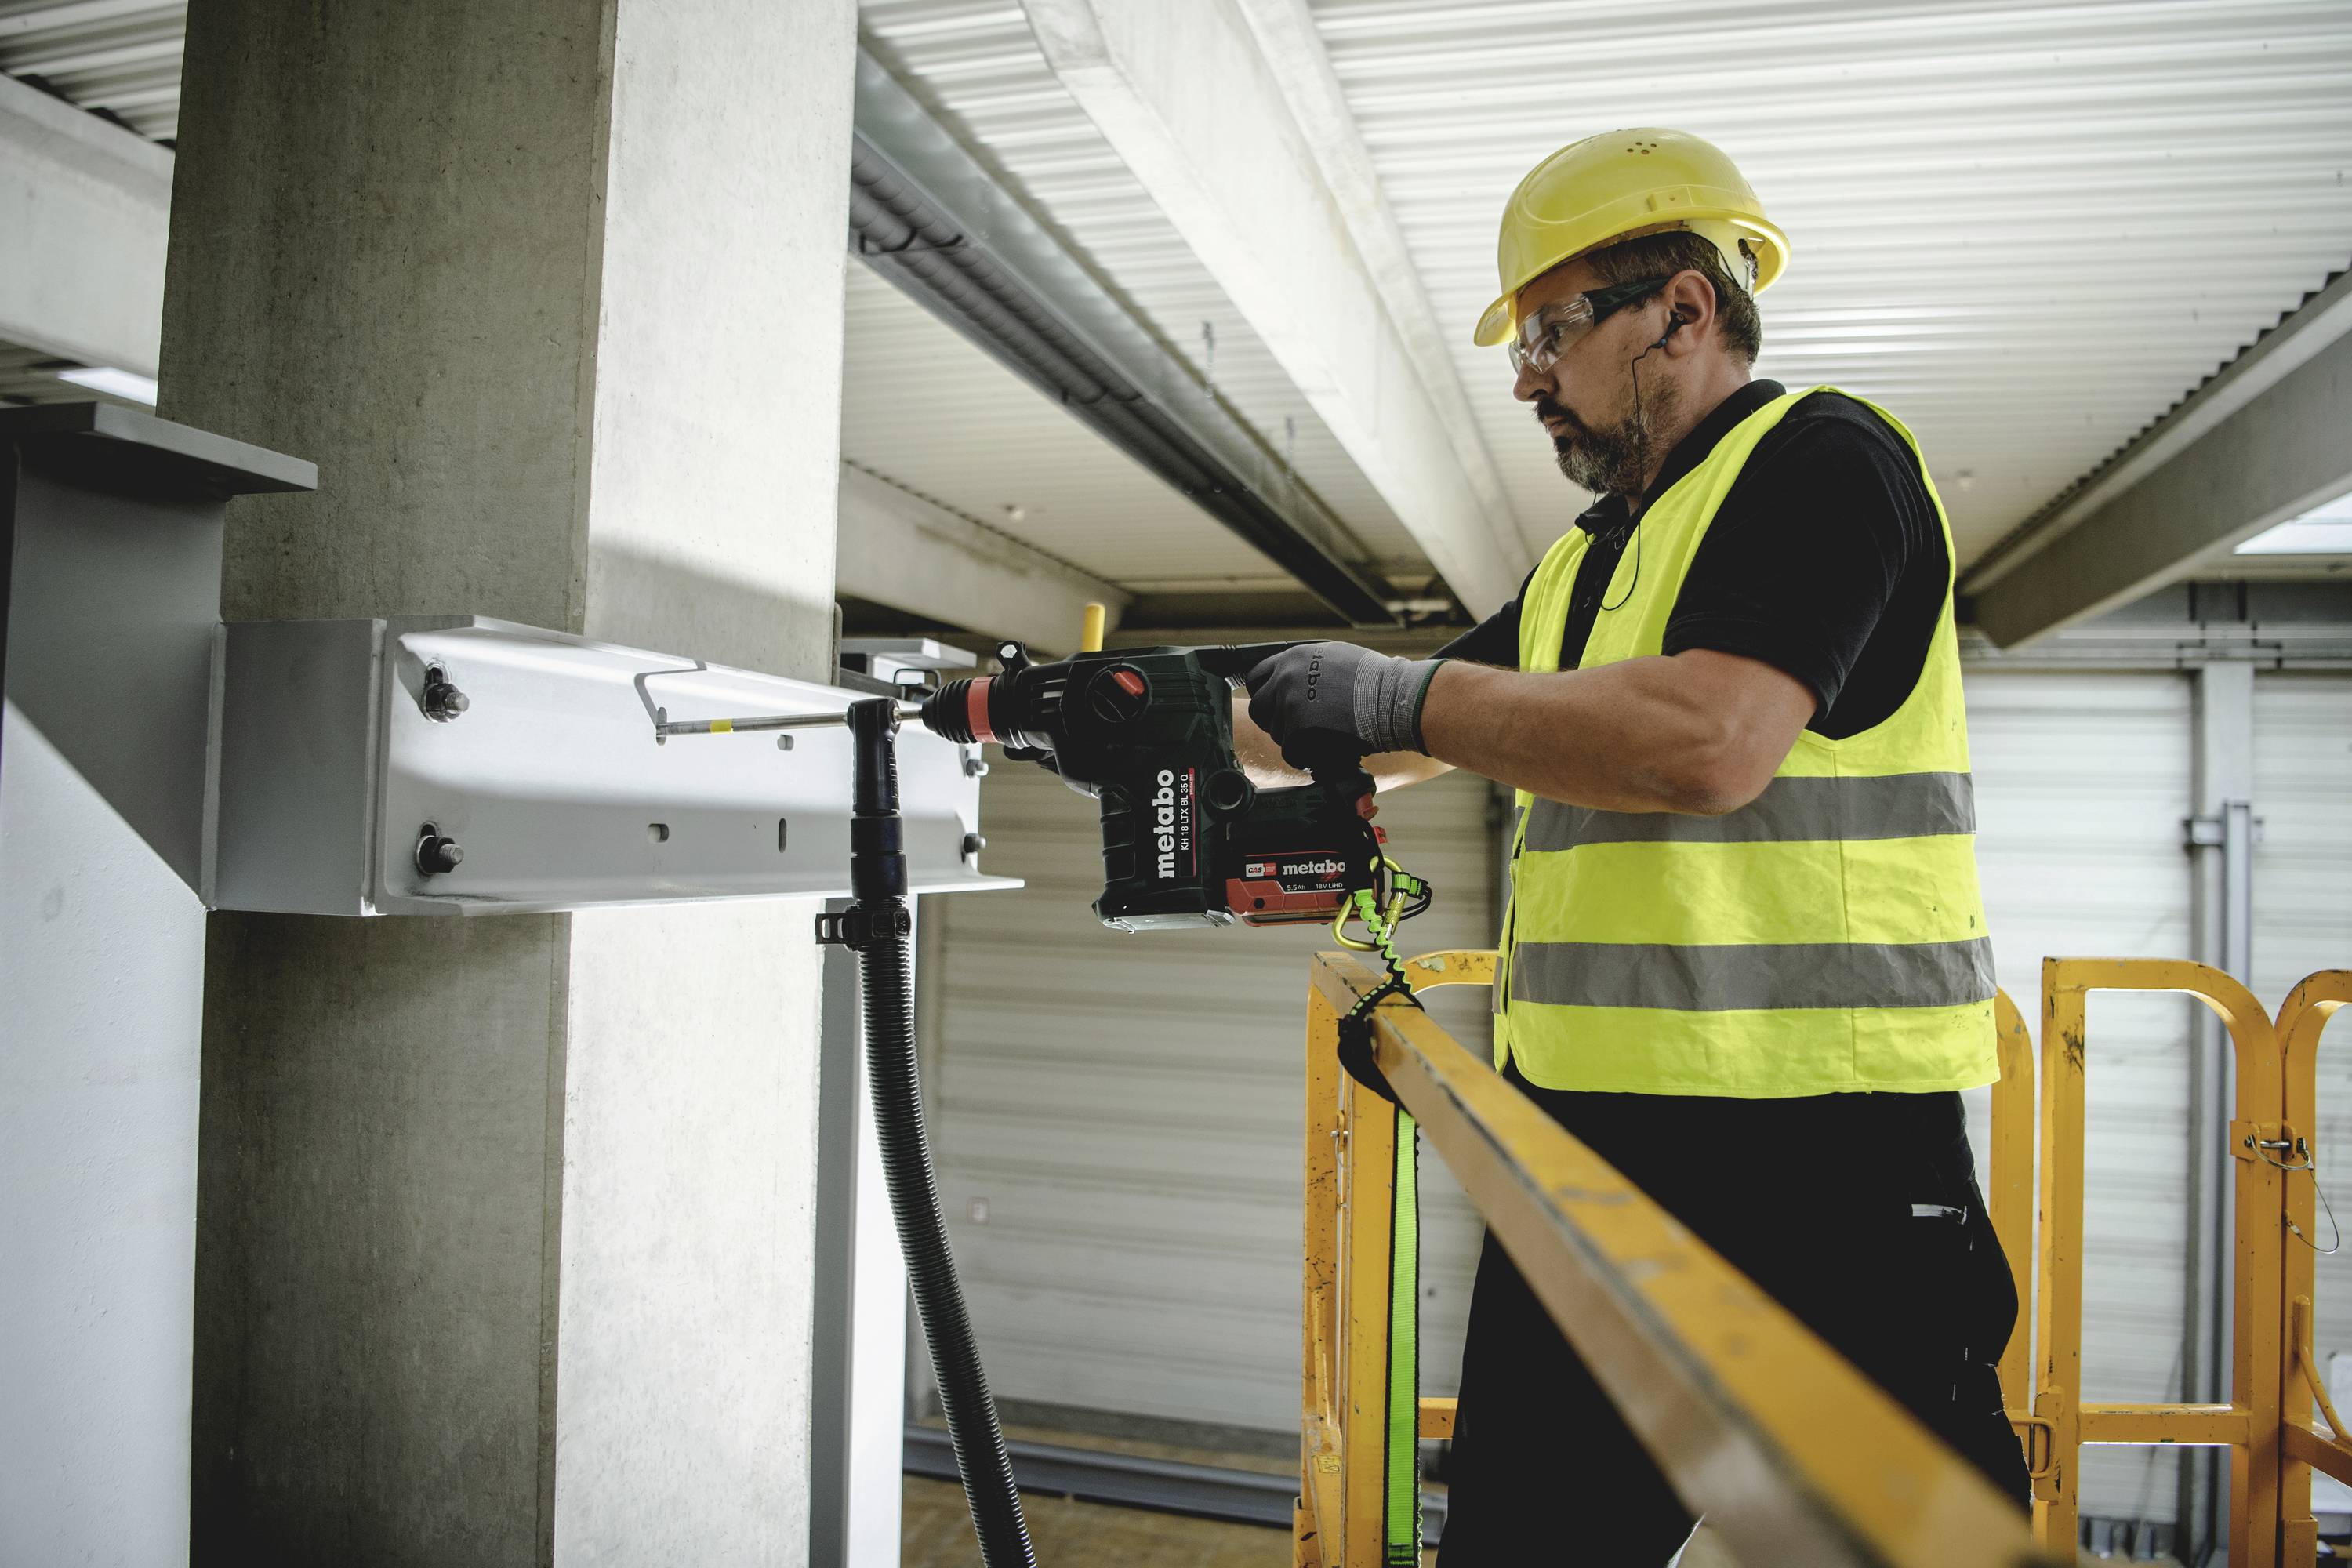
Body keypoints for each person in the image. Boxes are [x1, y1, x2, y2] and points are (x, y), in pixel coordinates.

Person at [1238, 129, 2031, 1563]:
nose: (1528, 372)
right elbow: (1382, 731)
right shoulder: (1589, 562)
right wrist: (1136, 720)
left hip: (1826, 1167)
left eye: (1552, 328)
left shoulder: (1826, 462)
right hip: (1587, 1155)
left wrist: (1393, 693)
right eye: (1524, 342)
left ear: (1685, 308)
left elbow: (1710, 742)